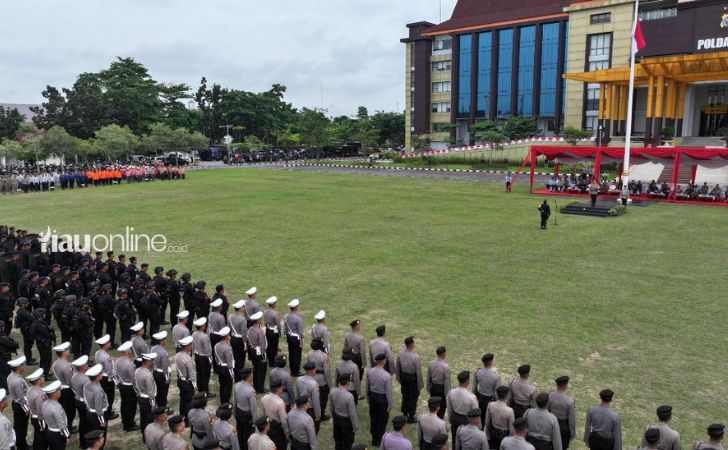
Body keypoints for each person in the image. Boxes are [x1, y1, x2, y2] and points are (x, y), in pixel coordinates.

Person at [367, 353, 393, 447]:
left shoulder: (370, 371)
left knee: (373, 418)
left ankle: (374, 439)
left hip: (373, 397)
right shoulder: (386, 375)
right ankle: (379, 440)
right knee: (382, 420)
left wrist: (368, 398)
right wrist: (390, 405)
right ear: (384, 361)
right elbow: (388, 392)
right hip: (382, 399)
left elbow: (367, 386)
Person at [447, 371, 478, 446]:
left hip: (455, 418)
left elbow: (449, 408)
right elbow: (476, 413)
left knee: (454, 440)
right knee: (466, 442)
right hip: (466, 421)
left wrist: (450, 419)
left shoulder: (451, 392)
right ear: (467, 381)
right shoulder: (472, 397)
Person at [396, 336, 423, 423]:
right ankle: (411, 416)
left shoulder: (400, 353)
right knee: (413, 397)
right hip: (412, 379)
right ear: (411, 344)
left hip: (404, 377)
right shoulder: (415, 356)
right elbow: (418, 372)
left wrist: (398, 378)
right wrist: (420, 385)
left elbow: (398, 367)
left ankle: (404, 413)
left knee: (405, 395)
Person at [51, 342, 76, 433]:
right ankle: (68, 428)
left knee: (63, 409)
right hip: (67, 390)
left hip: (60, 388)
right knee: (70, 410)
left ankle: (67, 426)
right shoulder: (66, 365)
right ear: (64, 352)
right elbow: (70, 380)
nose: (69, 351)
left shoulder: (56, 363)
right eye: (67, 349)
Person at [115, 341, 140, 432]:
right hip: (129, 387)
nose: (131, 351)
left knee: (124, 405)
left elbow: (116, 374)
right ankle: (130, 424)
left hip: (122, 385)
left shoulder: (117, 361)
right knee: (131, 406)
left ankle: (125, 422)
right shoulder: (130, 364)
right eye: (130, 349)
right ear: (128, 351)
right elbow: (133, 379)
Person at [83, 364, 110, 450]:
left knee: (93, 432)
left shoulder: (87, 384)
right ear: (97, 377)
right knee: (100, 435)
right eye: (100, 373)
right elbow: (99, 407)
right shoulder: (97, 390)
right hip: (98, 414)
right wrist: (102, 420)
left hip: (90, 412)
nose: (102, 374)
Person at [330, 375, 359, 450]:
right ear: (348, 383)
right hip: (346, 421)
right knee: (347, 442)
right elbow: (352, 413)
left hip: (336, 417)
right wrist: (355, 426)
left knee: (338, 439)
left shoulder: (333, 391)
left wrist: (333, 415)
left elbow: (332, 406)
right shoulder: (349, 396)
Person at [41, 381, 71, 450]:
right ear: (54, 394)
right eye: (58, 390)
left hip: (49, 430)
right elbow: (61, 424)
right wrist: (67, 436)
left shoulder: (44, 403)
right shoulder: (56, 407)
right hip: (58, 434)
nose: (60, 392)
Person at [473, 353, 500, 429]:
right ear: (491, 362)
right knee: (489, 420)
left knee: (480, 418)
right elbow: (496, 392)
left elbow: (474, 386)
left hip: (480, 398)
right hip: (490, 399)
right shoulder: (496, 376)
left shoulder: (478, 372)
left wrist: (474, 396)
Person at [307, 339, 331, 421]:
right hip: (321, 379)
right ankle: (321, 414)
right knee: (323, 398)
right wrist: (329, 383)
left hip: (312, 377)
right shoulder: (323, 356)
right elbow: (327, 371)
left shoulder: (309, 353)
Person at [94, 335, 117, 421]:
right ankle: (108, 412)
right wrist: (114, 380)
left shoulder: (98, 353)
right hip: (107, 378)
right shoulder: (106, 357)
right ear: (105, 344)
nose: (110, 343)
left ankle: (108, 411)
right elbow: (109, 370)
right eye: (108, 342)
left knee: (105, 395)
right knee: (110, 396)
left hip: (101, 376)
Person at [548, 377, 575, 450]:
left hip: (551, 422)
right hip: (563, 426)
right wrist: (572, 433)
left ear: (556, 385)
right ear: (566, 386)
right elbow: (571, 420)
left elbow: (547, 409)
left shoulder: (550, 395)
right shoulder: (569, 401)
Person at [135, 352, 158, 438]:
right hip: (147, 399)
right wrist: (153, 405)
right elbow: (151, 392)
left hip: (141, 397)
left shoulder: (137, 370)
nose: (153, 362)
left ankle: (144, 434)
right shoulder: (148, 375)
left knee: (143, 418)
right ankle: (149, 437)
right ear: (147, 361)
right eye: (152, 360)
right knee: (149, 420)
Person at [70, 355, 91, 449]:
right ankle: (86, 443)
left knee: (82, 422)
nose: (87, 365)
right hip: (84, 403)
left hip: (78, 400)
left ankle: (82, 442)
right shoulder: (85, 379)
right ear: (82, 367)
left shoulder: (74, 376)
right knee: (87, 423)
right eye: (86, 364)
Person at [261, 380, 289, 450]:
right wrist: (287, 435)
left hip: (268, 426)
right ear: (278, 389)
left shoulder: (264, 398)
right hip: (278, 430)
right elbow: (284, 422)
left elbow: (264, 414)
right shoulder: (280, 403)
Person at [233, 368, 257, 450]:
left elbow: (234, 401)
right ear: (249, 376)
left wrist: (234, 413)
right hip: (247, 415)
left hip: (239, 412)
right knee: (248, 436)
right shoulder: (250, 391)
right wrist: (254, 421)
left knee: (240, 433)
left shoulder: (236, 385)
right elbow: (253, 407)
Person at [175, 336, 196, 422]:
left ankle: (182, 416)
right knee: (189, 402)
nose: (191, 346)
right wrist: (195, 387)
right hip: (187, 382)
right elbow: (191, 375)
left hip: (180, 380)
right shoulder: (188, 359)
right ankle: (187, 420)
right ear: (187, 346)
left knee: (182, 400)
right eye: (190, 344)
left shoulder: (177, 355)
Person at [297, 362, 322, 433]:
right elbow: (316, 401)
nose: (315, 370)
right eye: (314, 369)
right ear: (312, 371)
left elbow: (297, 394)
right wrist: (318, 415)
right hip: (310, 409)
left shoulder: (299, 379)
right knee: (312, 429)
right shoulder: (314, 384)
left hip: (301, 406)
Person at [26, 368, 47, 450]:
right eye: (42, 376)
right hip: (39, 419)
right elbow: (40, 411)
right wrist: (43, 424)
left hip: (34, 417)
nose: (44, 377)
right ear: (38, 380)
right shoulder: (39, 394)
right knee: (42, 439)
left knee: (38, 435)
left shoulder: (30, 389)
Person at [192, 318, 213, 397]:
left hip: (197, 355)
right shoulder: (205, 336)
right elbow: (207, 350)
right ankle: (205, 392)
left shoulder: (194, 333)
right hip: (204, 357)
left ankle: (200, 390)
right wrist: (210, 360)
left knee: (199, 374)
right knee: (205, 375)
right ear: (202, 326)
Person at [427, 346, 450, 420]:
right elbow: (447, 382)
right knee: (442, 407)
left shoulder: (431, 363)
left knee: (433, 404)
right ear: (443, 354)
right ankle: (439, 420)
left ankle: (433, 418)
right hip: (441, 389)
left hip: (433, 387)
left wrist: (428, 387)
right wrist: (447, 394)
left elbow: (429, 377)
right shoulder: (445, 366)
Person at [248, 312, 268, 394]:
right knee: (261, 371)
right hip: (259, 352)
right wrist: (263, 357)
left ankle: (256, 385)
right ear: (259, 320)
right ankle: (260, 388)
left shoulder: (250, 329)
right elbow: (262, 345)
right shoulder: (259, 331)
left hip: (253, 350)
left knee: (256, 369)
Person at [214, 327, 235, 404]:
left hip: (219, 366)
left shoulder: (216, 345)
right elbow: (229, 362)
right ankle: (226, 402)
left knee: (222, 385)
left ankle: (222, 401)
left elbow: (216, 358)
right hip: (226, 369)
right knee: (227, 387)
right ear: (226, 336)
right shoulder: (227, 348)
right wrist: (232, 373)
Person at [284, 299, 304, 377]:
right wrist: (301, 342)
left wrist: (285, 335)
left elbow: (285, 328)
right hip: (296, 338)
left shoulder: (286, 316)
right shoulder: (298, 318)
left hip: (289, 336)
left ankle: (292, 369)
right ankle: (296, 371)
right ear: (296, 308)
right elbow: (300, 332)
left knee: (291, 353)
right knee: (297, 355)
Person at [229, 301, 248, 382]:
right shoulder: (242, 319)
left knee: (235, 357)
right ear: (240, 308)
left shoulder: (230, 317)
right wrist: (245, 344)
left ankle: (235, 374)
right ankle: (238, 377)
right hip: (240, 340)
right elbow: (244, 333)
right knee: (240, 359)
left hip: (233, 338)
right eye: (243, 306)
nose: (244, 308)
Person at [152, 332, 172, 408]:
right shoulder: (163, 353)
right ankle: (163, 408)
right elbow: (165, 367)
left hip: (156, 371)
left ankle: (159, 405)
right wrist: (167, 378)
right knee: (163, 393)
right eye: (165, 339)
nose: (166, 340)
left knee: (159, 391)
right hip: (162, 374)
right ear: (162, 341)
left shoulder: (153, 348)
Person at [263, 297, 282, 363]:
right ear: (273, 304)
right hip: (274, 332)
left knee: (269, 345)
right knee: (274, 347)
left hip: (268, 330)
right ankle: (272, 361)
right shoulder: (275, 313)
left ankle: (269, 358)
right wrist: (279, 332)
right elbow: (278, 325)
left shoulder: (265, 311)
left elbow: (265, 321)